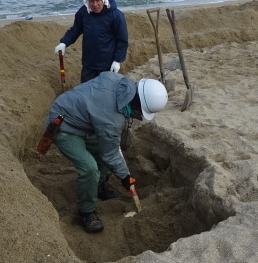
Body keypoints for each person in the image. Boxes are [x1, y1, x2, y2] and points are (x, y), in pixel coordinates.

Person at [46, 72, 168, 233]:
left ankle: (97, 187)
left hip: (83, 119)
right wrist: (125, 177)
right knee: (90, 169)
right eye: (140, 111)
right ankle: (86, 212)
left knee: (101, 150)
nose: (139, 115)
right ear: (137, 103)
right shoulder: (111, 119)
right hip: (64, 126)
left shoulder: (119, 81)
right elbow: (109, 153)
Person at [55, 0, 128, 83]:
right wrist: (64, 42)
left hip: (107, 65)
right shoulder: (83, 13)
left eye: (98, 0)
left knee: (105, 95)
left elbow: (122, 41)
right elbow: (75, 30)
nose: (95, 4)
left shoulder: (116, 16)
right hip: (88, 64)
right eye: (91, 1)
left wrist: (117, 60)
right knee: (86, 94)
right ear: (87, 0)